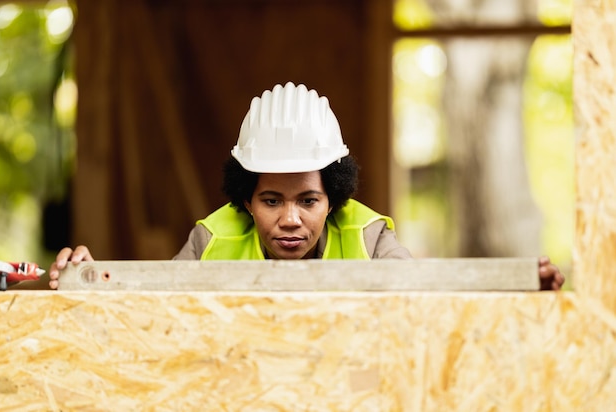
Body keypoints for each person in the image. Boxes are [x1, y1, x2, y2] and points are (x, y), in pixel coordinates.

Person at [48, 82, 565, 290]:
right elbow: (148, 306)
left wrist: (514, 281)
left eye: (308, 200)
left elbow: (426, 293)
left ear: (333, 198)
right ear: (246, 200)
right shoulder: (211, 240)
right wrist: (85, 282)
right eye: (271, 199)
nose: (290, 219)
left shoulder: (368, 236)